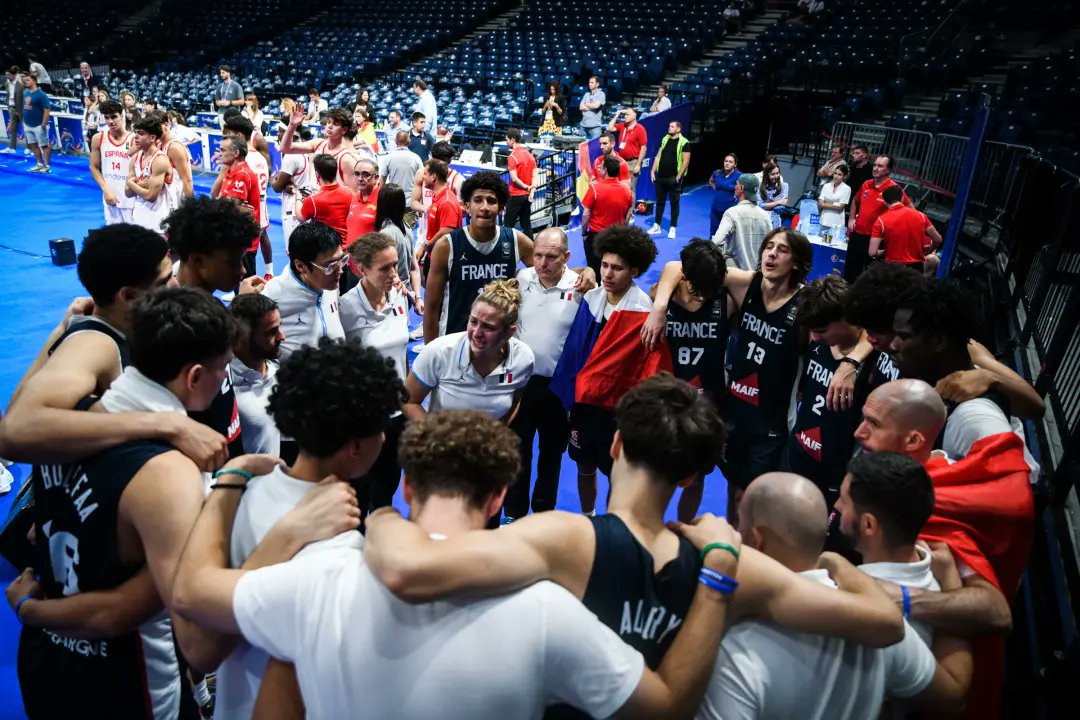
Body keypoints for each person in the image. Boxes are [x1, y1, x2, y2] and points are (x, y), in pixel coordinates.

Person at [173, 405, 749, 720]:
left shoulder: (324, 574)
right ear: (500, 497)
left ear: (406, 484)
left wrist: (230, 479)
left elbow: (192, 593)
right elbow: (668, 708)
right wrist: (718, 571)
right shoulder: (546, 610)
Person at [364, 377, 909, 702]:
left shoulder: (563, 538)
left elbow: (410, 569)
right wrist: (837, 564)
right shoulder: (727, 561)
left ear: (617, 443)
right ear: (693, 476)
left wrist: (383, 516)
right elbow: (885, 623)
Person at [12, 287, 305, 719]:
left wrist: (31, 609)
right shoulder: (169, 472)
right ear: (194, 375)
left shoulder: (68, 423)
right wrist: (265, 528)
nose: (225, 379)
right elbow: (199, 647)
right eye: (223, 369)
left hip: (46, 664)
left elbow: (43, 529)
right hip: (128, 686)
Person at [206, 336, 403, 720]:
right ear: (355, 447)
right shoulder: (341, 547)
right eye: (380, 427)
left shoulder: (238, 494)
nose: (384, 437)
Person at [699, 471, 973, 720]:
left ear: (755, 539)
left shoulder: (733, 648)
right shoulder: (876, 619)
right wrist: (951, 581)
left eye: (739, 524)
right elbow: (951, 697)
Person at [854, 379, 1031, 720]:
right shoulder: (925, 477)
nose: (859, 432)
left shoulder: (934, 508)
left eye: (874, 424)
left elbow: (995, 612)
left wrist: (898, 598)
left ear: (913, 440)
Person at [0, 224, 217, 470]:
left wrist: (60, 332)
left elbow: (15, 408)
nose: (175, 287)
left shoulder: (126, 329)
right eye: (164, 281)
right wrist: (167, 424)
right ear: (128, 296)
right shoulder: (96, 343)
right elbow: (15, 429)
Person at [551, 225, 663, 514]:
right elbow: (573, 355)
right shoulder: (590, 299)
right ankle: (588, 517)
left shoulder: (644, 311)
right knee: (583, 465)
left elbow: (647, 368)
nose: (608, 274)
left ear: (635, 271)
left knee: (618, 473)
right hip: (584, 405)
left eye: (618, 268)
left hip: (618, 411)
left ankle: (613, 521)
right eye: (604, 265)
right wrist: (568, 399)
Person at [891, 279, 1040, 473]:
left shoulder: (976, 417)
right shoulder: (934, 374)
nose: (892, 345)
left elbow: (1017, 491)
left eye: (902, 337)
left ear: (938, 341)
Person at [167, 197, 264, 458]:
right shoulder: (169, 326)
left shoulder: (213, 308)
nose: (242, 270)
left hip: (229, 446)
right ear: (197, 260)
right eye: (232, 261)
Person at [506, 227, 582, 521]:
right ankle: (513, 513)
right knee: (517, 452)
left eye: (551, 257)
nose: (542, 263)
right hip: (521, 385)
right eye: (537, 256)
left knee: (552, 456)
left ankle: (543, 515)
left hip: (558, 388)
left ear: (566, 257)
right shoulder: (522, 279)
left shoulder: (581, 287)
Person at [655, 240, 731, 522]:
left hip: (706, 409)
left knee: (696, 478)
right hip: (667, 405)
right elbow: (673, 267)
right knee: (659, 475)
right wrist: (660, 307)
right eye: (696, 288)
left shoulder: (725, 301)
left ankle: (682, 527)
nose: (701, 296)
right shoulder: (661, 296)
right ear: (685, 277)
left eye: (707, 290)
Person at [782, 276, 873, 510]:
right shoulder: (816, 337)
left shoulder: (874, 354)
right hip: (797, 455)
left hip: (835, 475)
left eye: (821, 330)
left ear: (847, 318)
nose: (815, 338)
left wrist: (983, 374)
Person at [341, 233, 413, 513]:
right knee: (359, 498)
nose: (394, 273)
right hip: (364, 420)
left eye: (395, 264)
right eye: (385, 268)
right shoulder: (345, 309)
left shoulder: (398, 297)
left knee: (386, 492)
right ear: (362, 269)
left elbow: (402, 352)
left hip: (397, 415)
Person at [835, 452, 940, 643]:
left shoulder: (858, 607)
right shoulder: (938, 580)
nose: (837, 506)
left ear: (869, 525)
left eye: (844, 501)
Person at [406, 279, 534, 421]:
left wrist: (498, 433)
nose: (477, 333)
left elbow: (515, 400)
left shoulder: (523, 359)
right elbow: (409, 401)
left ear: (509, 332)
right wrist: (436, 435)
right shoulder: (438, 352)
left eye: (488, 327)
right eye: (473, 321)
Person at [261, 221, 346, 361]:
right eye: (330, 265)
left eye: (341, 260)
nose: (340, 270)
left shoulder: (329, 283)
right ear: (301, 266)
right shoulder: (273, 296)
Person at [227, 294, 284, 456]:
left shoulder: (276, 371)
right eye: (271, 332)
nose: (282, 336)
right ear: (242, 338)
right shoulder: (223, 387)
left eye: (280, 326)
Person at [846, 154, 911, 281]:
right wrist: (851, 218)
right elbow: (855, 200)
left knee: (869, 278)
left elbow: (909, 210)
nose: (875, 168)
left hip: (875, 239)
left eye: (880, 166)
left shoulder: (894, 189)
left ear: (888, 170)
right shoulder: (866, 184)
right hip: (857, 234)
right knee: (849, 273)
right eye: (875, 165)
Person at [221, 113, 270, 276]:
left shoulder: (244, 167)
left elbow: (233, 204)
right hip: (258, 205)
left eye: (229, 134)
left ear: (239, 136)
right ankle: (268, 272)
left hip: (248, 218)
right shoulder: (257, 157)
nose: (226, 138)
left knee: (246, 271)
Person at [210, 135, 261, 277]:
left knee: (247, 279)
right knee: (236, 276)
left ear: (236, 153)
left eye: (222, 150)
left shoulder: (243, 174)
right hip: (234, 233)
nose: (220, 153)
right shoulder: (230, 171)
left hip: (245, 237)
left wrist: (224, 202)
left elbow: (228, 208)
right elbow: (214, 196)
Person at [281, 104, 358, 191]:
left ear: (344, 130)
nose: (329, 126)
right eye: (329, 122)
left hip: (332, 203)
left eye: (335, 124)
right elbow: (285, 148)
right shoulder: (318, 144)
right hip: (314, 198)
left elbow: (354, 195)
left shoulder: (347, 159)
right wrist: (292, 125)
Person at [415, 157, 464, 294]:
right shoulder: (439, 198)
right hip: (434, 256)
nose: (422, 177)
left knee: (438, 301)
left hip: (443, 261)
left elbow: (447, 230)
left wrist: (426, 245)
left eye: (425, 173)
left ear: (434, 177)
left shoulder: (447, 201)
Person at [581, 156, 635, 277]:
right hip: (617, 235)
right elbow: (629, 213)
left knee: (594, 271)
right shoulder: (627, 189)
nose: (599, 168)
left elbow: (585, 214)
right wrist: (623, 230)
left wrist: (584, 233)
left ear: (605, 170)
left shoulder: (595, 188)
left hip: (596, 236)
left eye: (601, 167)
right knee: (613, 270)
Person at [869, 185, 942, 271]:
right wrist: (929, 250)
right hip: (915, 269)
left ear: (885, 202)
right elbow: (938, 239)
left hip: (892, 268)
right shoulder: (921, 216)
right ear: (903, 198)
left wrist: (882, 252)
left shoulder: (881, 220)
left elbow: (872, 252)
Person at [711, 174, 773, 270]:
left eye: (736, 184)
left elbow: (716, 241)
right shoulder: (766, 216)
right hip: (756, 273)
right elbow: (769, 246)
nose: (735, 187)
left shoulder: (731, 213)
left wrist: (724, 255)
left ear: (741, 188)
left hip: (734, 271)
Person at [372, 183, 422, 302]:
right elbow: (414, 267)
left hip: (394, 293)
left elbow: (389, 272)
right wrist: (418, 297)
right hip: (405, 292)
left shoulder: (386, 234)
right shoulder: (407, 227)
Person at [89, 100, 134, 225]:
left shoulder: (134, 140)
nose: (110, 121)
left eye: (114, 117)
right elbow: (94, 167)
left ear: (122, 116)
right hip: (110, 197)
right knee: (114, 239)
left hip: (131, 199)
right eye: (107, 117)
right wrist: (105, 190)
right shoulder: (98, 138)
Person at [271, 121, 316, 246]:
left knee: (294, 253)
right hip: (305, 203)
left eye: (280, 130)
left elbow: (277, 187)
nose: (277, 134)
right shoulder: (305, 149)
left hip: (293, 209)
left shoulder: (291, 156)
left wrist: (274, 178)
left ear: (288, 133)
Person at [126, 117, 173, 234]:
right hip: (138, 218)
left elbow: (151, 196)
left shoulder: (160, 160)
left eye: (141, 134)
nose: (135, 137)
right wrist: (142, 184)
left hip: (158, 221)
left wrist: (132, 183)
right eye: (136, 133)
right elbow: (127, 193)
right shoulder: (134, 158)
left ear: (152, 137)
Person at [297, 153, 353, 246]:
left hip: (326, 248)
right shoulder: (349, 192)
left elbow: (301, 218)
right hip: (347, 246)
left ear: (317, 174)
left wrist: (298, 199)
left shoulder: (313, 200)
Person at [648, 120, 691, 239]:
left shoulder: (684, 142)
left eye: (672, 126)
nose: (669, 128)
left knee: (674, 203)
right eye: (669, 126)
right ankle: (657, 225)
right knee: (660, 202)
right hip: (661, 177)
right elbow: (657, 156)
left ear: (678, 129)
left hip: (674, 178)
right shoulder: (664, 139)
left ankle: (672, 227)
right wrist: (652, 171)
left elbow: (686, 161)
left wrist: (678, 176)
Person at [607, 106, 648, 194]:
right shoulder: (623, 126)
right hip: (621, 161)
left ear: (634, 116)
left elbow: (643, 148)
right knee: (618, 187)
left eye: (627, 114)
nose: (625, 116)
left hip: (632, 162)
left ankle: (630, 208)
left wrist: (638, 164)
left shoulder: (640, 129)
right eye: (625, 114)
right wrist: (617, 115)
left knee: (630, 189)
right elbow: (609, 128)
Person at [504, 128, 537, 235]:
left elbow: (514, 178)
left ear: (512, 140)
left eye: (507, 140)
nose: (506, 142)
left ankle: (507, 250)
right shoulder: (529, 155)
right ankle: (531, 248)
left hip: (515, 196)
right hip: (527, 196)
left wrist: (527, 187)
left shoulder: (512, 157)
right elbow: (535, 174)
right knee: (526, 224)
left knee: (508, 226)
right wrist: (532, 190)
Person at [345, 157, 382, 245]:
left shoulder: (383, 198)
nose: (360, 178)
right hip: (351, 255)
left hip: (371, 256)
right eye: (357, 174)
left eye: (365, 175)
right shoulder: (355, 197)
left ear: (376, 178)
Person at [21, 70, 51, 173]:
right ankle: (39, 164)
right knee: (33, 145)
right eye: (24, 80)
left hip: (39, 125)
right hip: (27, 124)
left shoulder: (41, 95)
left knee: (44, 145)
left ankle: (47, 166)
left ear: (34, 81)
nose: (25, 82)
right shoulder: (25, 93)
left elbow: (47, 109)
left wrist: (44, 123)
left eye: (27, 80)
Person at [381, 130, 424, 200]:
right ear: (409, 141)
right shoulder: (416, 158)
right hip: (412, 200)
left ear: (395, 141)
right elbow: (422, 178)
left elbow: (382, 180)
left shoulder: (388, 157)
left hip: (394, 199)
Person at [708, 153, 741, 238]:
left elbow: (741, 189)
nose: (727, 163)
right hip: (715, 207)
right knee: (713, 233)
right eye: (726, 161)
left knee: (727, 234)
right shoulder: (717, 173)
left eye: (730, 162)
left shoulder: (739, 176)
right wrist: (717, 189)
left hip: (729, 210)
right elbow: (711, 181)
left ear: (735, 164)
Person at [817, 161, 851, 231]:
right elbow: (820, 204)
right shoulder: (826, 186)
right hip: (823, 220)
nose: (836, 176)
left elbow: (840, 206)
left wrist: (825, 204)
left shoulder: (847, 189)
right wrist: (834, 204)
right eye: (835, 173)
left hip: (837, 223)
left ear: (844, 176)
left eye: (839, 174)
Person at [758, 162, 790, 229]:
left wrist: (767, 204)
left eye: (777, 173)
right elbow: (759, 206)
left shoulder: (784, 186)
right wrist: (778, 202)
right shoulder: (760, 186)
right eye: (773, 174)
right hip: (761, 221)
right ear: (767, 175)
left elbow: (781, 208)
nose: (776, 176)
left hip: (775, 223)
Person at [3, 67, 23, 154]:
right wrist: (8, 105)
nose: (7, 76)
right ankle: (12, 148)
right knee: (12, 129)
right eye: (6, 75)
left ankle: (29, 148)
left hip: (21, 109)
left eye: (9, 75)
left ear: (14, 75)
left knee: (26, 129)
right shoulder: (7, 84)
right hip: (11, 108)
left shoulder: (21, 85)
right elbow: (8, 95)